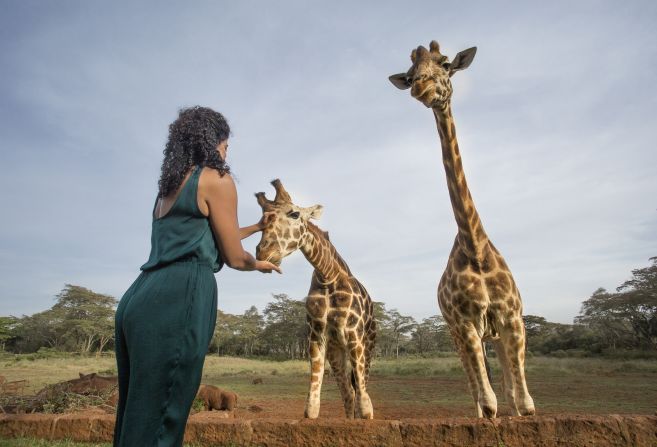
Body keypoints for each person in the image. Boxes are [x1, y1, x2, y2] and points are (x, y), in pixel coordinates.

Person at [113, 106, 280, 446]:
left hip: (140, 297)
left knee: (139, 413)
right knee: (165, 417)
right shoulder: (216, 179)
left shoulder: (168, 190)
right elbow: (233, 256)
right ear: (212, 141)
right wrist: (258, 264)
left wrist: (257, 227)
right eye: (226, 145)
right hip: (180, 294)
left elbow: (210, 232)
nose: (226, 151)